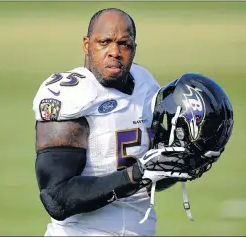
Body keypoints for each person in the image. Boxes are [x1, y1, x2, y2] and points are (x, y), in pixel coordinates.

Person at [32, 8, 233, 236]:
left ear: (134, 48)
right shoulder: (71, 94)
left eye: (124, 44)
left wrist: (180, 164)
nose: (114, 52)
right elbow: (56, 198)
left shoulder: (145, 84)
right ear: (87, 45)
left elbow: (148, 175)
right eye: (104, 42)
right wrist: (135, 174)